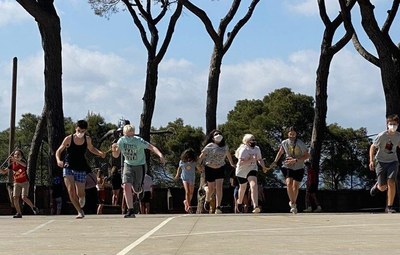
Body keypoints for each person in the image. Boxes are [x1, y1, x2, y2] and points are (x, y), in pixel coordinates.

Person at [111, 124, 165, 218]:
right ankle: (130, 210)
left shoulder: (138, 141)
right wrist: (114, 150)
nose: (130, 138)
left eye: (132, 135)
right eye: (128, 136)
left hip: (140, 165)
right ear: (124, 134)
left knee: (136, 189)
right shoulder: (121, 141)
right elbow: (116, 155)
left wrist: (160, 155)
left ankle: (140, 189)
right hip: (128, 164)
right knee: (126, 185)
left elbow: (152, 147)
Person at [55, 119, 106, 219]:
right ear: (75, 129)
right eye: (78, 130)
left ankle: (82, 197)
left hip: (81, 167)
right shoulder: (69, 139)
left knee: (80, 193)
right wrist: (58, 160)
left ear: (85, 131)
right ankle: (80, 211)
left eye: (82, 131)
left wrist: (100, 153)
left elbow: (91, 149)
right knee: (71, 190)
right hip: (68, 166)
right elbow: (59, 150)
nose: (80, 133)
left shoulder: (87, 139)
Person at [272, 126, 310, 214]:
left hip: (299, 166)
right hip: (288, 165)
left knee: (295, 186)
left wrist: (296, 160)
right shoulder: (284, 142)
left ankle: (293, 202)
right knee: (288, 183)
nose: (292, 136)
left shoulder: (301, 143)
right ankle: (292, 203)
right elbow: (280, 151)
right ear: (288, 134)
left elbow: (307, 156)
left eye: (293, 134)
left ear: (296, 134)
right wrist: (275, 161)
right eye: (290, 134)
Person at [198, 129, 235, 214]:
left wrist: (232, 163)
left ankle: (218, 207)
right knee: (211, 189)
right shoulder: (209, 146)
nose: (218, 135)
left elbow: (228, 154)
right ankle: (207, 200)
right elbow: (201, 156)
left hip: (220, 167)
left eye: (219, 134)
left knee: (219, 187)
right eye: (215, 134)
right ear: (212, 137)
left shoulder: (225, 146)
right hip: (209, 168)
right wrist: (199, 166)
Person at [369, 114, 400, 213]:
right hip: (381, 162)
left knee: (391, 181)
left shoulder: (398, 136)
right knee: (383, 188)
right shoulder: (382, 135)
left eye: (394, 124)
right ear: (387, 125)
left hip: (393, 162)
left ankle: (390, 207)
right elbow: (373, 147)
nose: (392, 126)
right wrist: (371, 160)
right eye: (390, 124)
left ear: (397, 125)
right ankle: (378, 185)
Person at [235, 134, 269, 213]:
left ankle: (255, 206)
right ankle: (239, 202)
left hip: (252, 169)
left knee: (253, 185)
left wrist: (263, 167)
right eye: (251, 140)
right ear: (246, 141)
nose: (253, 141)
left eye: (254, 139)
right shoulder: (243, 150)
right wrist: (251, 160)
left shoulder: (257, 149)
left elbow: (259, 159)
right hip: (242, 170)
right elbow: (240, 163)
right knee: (242, 188)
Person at [0, 149, 39, 218]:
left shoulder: (23, 161)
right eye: (15, 154)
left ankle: (33, 207)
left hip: (25, 182)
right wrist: (0, 169)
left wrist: (15, 160)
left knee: (24, 197)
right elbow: (4, 172)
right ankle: (18, 213)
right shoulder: (12, 164)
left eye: (18, 154)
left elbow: (24, 165)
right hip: (17, 182)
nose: (16, 155)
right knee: (15, 197)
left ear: (21, 156)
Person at [175, 148, 200, 213]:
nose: (189, 159)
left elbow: (198, 167)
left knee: (191, 192)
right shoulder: (182, 161)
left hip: (192, 178)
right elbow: (179, 168)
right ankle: (189, 206)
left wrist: (201, 170)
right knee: (187, 191)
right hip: (184, 178)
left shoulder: (194, 162)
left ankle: (186, 201)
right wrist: (177, 175)